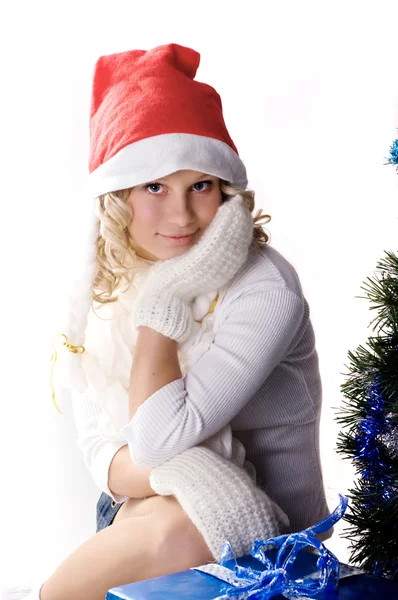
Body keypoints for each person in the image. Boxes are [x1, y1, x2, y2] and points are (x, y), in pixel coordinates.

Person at [2, 43, 330, 600]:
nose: (180, 216)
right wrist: (178, 477)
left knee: (179, 520)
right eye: (155, 187)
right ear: (118, 198)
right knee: (173, 512)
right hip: (140, 513)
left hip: (269, 551)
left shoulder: (265, 288)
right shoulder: (103, 284)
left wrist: (167, 295)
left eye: (200, 186)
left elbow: (155, 439)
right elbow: (101, 454)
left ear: (227, 194)